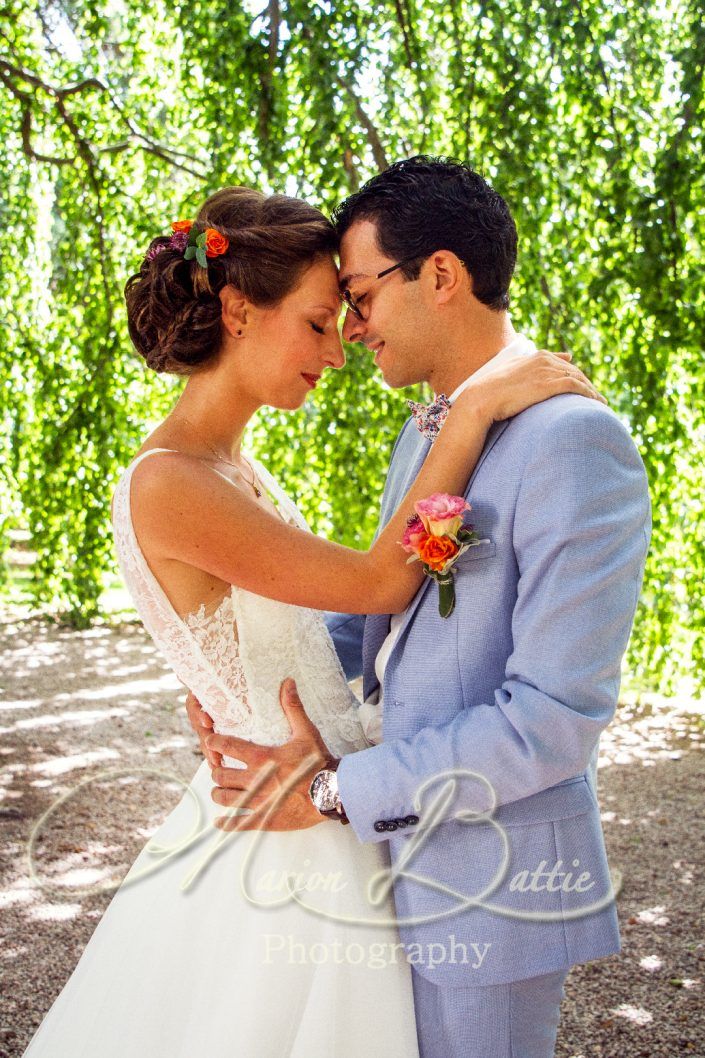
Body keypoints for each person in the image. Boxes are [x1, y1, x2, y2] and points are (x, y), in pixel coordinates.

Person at [21, 182, 600, 1058]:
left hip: (327, 810)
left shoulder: (228, 466)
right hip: (287, 827)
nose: (338, 351)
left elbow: (312, 629)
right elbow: (378, 584)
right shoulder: (173, 480)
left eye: (350, 312)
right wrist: (472, 409)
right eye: (321, 320)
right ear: (238, 312)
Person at [186, 158, 652, 1058]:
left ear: (440, 275)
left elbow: (551, 722)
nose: (350, 330)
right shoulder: (429, 429)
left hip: (492, 888)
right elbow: (379, 627)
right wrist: (238, 671)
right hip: (382, 868)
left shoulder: (572, 441)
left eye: (359, 296)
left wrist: (329, 793)